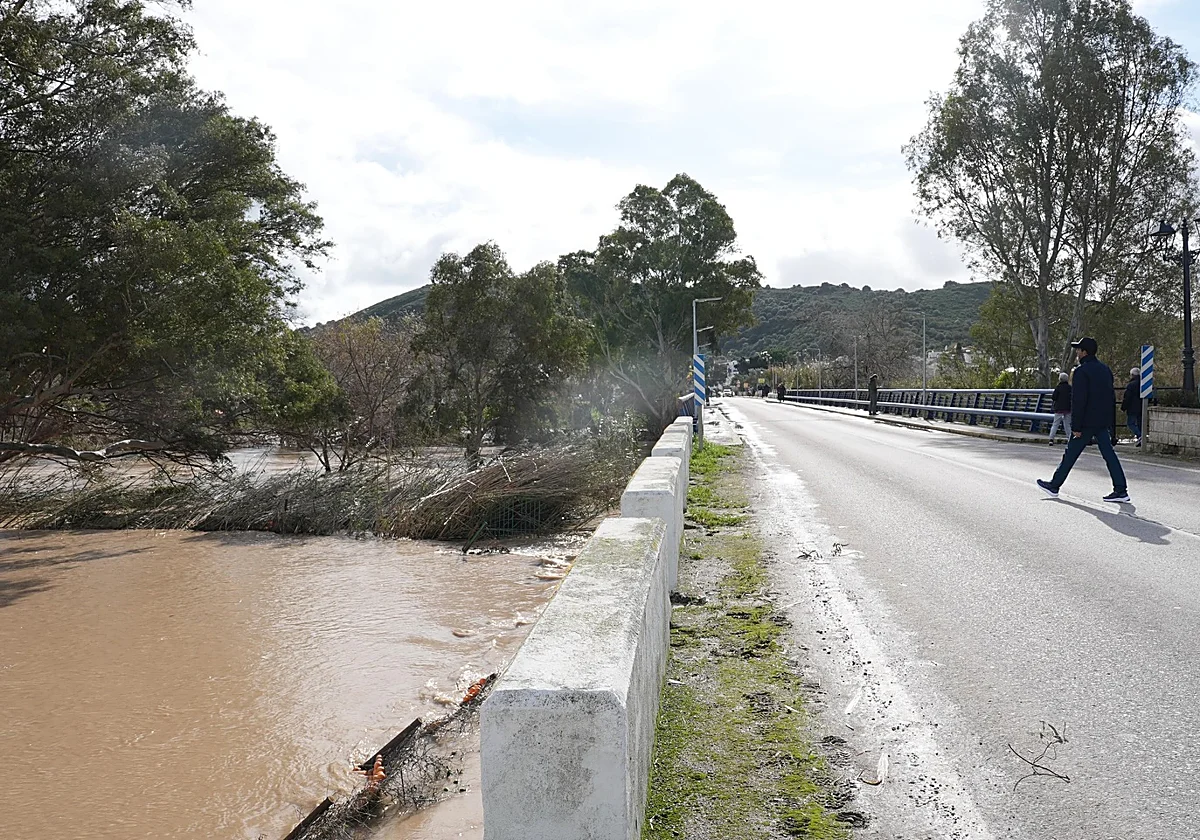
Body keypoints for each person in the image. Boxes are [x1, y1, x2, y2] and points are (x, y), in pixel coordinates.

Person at [1037, 337, 1130, 503]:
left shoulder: (1081, 372)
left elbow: (1079, 400)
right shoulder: (1105, 370)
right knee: (1109, 455)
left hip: (1086, 422)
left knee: (1070, 454)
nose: (1077, 353)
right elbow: (1110, 398)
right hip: (1101, 422)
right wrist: (1112, 426)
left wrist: (1076, 426)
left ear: (1084, 352)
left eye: (1078, 350)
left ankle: (1054, 485)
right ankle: (1121, 490)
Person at [1048, 372, 1072, 445]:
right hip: (1068, 408)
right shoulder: (1070, 388)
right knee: (1067, 424)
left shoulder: (1058, 387)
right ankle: (1070, 438)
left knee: (1055, 424)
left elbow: (1054, 397)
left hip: (1059, 408)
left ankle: (1051, 439)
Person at [1121, 367, 1142, 446]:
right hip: (1141, 406)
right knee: (1140, 423)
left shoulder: (1131, 385)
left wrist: (1123, 407)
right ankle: (1141, 437)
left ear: (1132, 375)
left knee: (1131, 423)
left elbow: (1127, 397)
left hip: (1132, 407)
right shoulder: (1143, 384)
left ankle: (1140, 436)